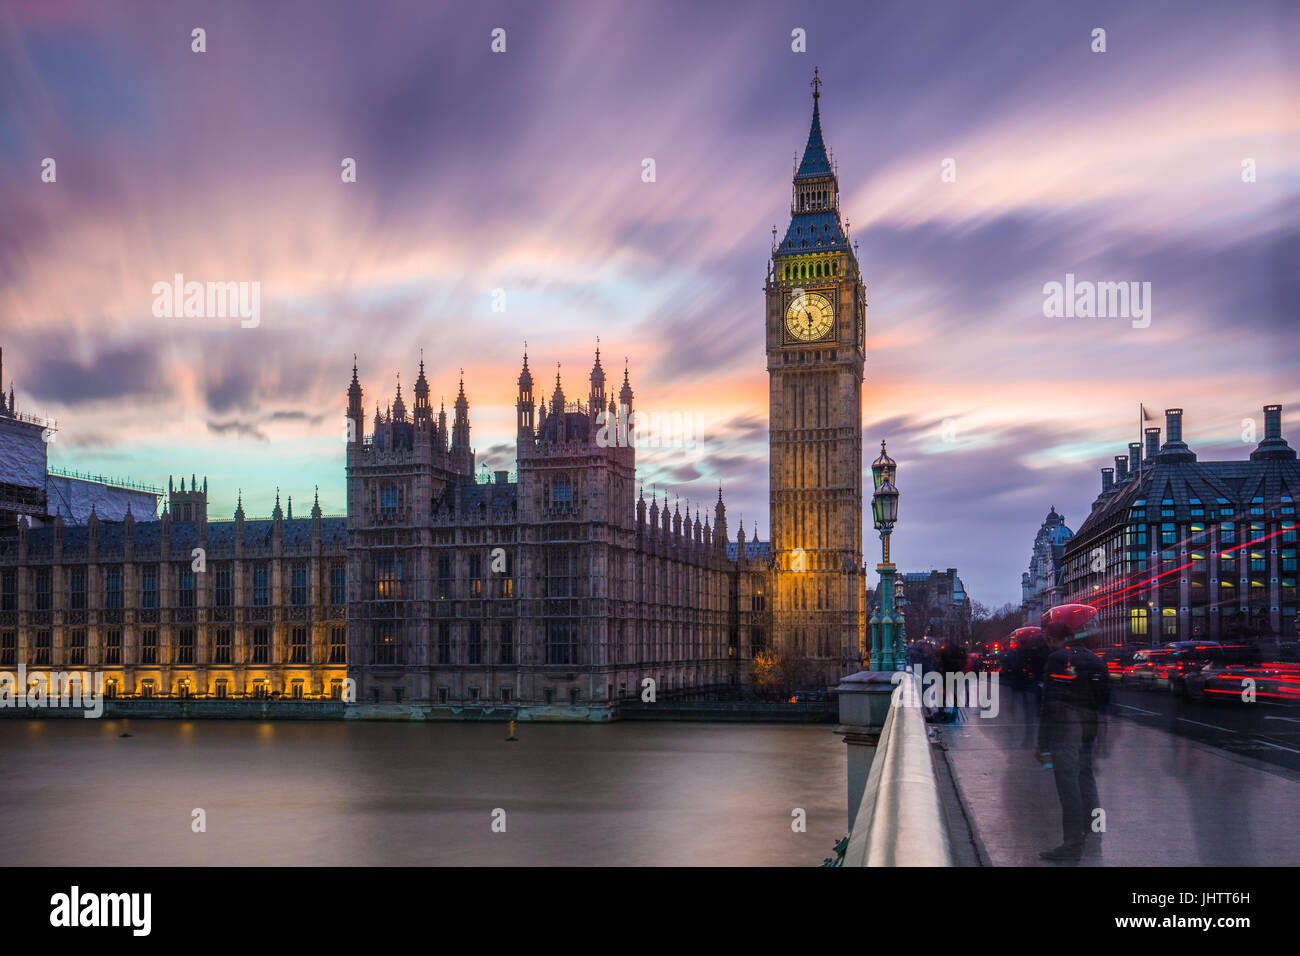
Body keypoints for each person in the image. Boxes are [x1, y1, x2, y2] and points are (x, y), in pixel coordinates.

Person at [1036, 620, 1108, 862]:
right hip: (1089, 727)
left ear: (1056, 639)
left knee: (1069, 788)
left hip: (1065, 729)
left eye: (1048, 640)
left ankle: (1072, 844)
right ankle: (1094, 834)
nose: (1048, 645)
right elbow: (1104, 698)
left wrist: (1042, 742)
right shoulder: (1095, 658)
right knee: (1086, 781)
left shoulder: (1057, 659)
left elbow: (1050, 702)